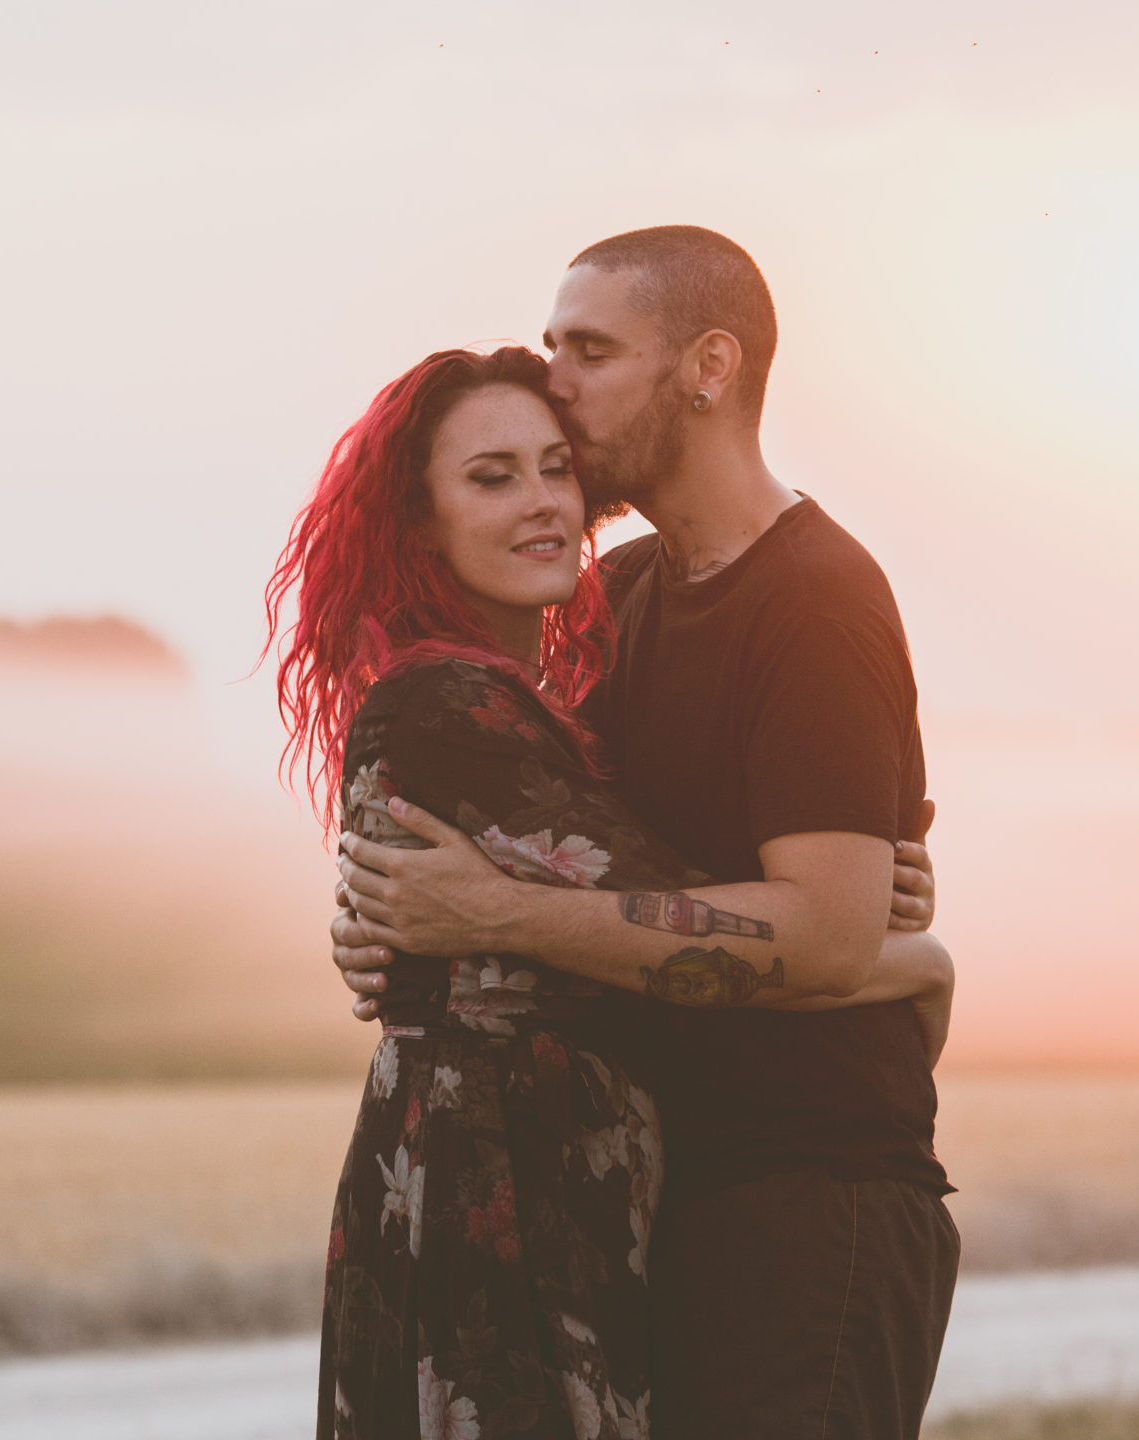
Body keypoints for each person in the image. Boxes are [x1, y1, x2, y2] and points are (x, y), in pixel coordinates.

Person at [331, 227, 958, 1439]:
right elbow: (556, 844)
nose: (555, 377)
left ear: (707, 367)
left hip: (807, 1200)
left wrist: (497, 918)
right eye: (554, 343)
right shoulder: (612, 601)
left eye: (590, 349)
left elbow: (825, 938)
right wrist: (387, 921)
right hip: (659, 1192)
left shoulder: (815, 597)